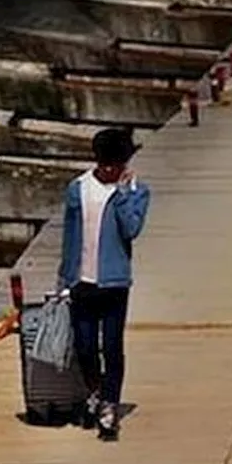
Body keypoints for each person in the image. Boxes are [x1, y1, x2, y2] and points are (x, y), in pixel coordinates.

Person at [56, 128, 151, 442]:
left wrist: (124, 195)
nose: (112, 170)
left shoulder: (137, 191)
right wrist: (63, 278)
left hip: (114, 282)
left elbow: (132, 229)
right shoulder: (78, 189)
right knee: (84, 346)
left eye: (118, 165)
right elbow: (69, 236)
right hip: (81, 281)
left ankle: (109, 404)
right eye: (108, 164)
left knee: (112, 346)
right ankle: (94, 392)